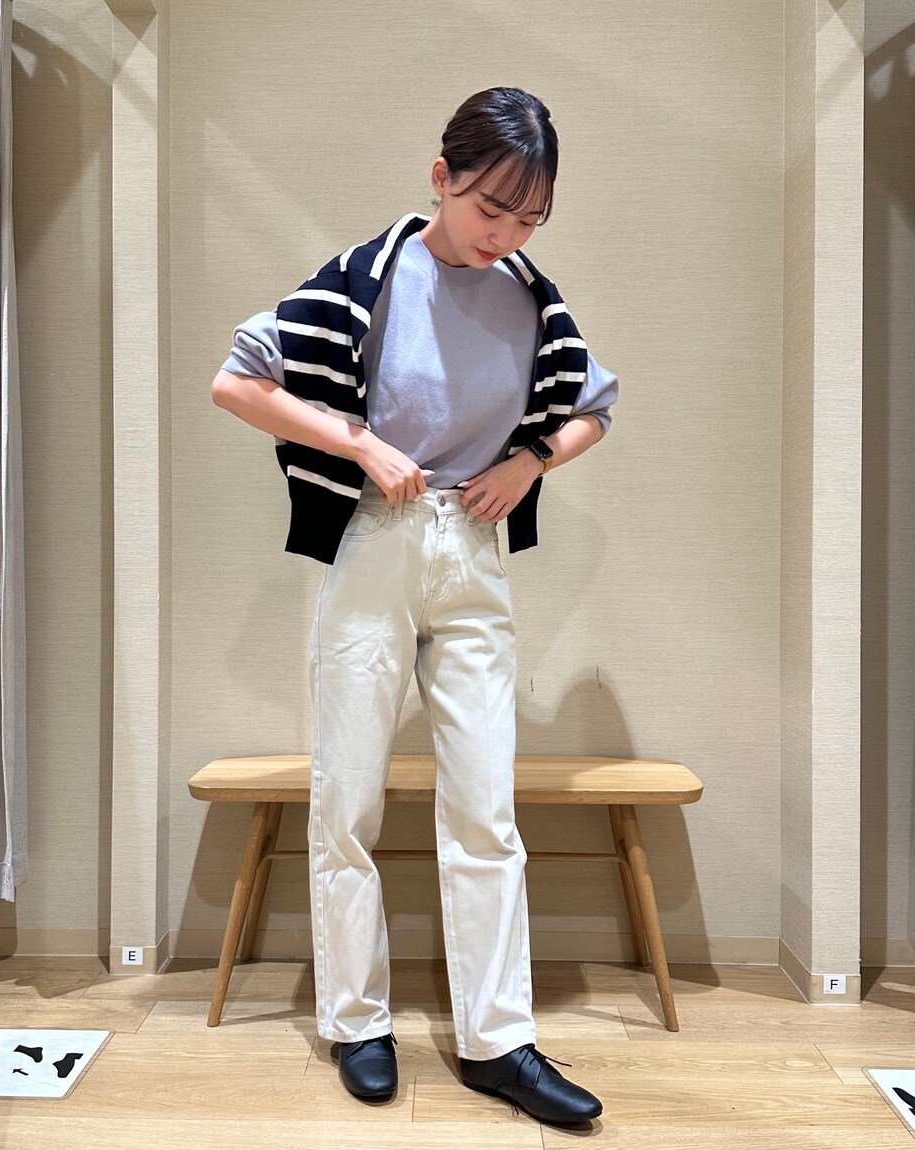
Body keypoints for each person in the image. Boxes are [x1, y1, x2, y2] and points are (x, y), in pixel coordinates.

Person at [211, 87, 618, 1126]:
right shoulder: (365, 277)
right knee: (347, 793)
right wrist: (357, 443)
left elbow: (594, 406)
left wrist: (530, 460)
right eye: (491, 208)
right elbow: (238, 382)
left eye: (530, 218)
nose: (506, 234)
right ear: (441, 178)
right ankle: (358, 1021)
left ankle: (497, 1041)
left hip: (472, 549)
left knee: (485, 804)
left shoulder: (532, 298)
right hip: (375, 540)